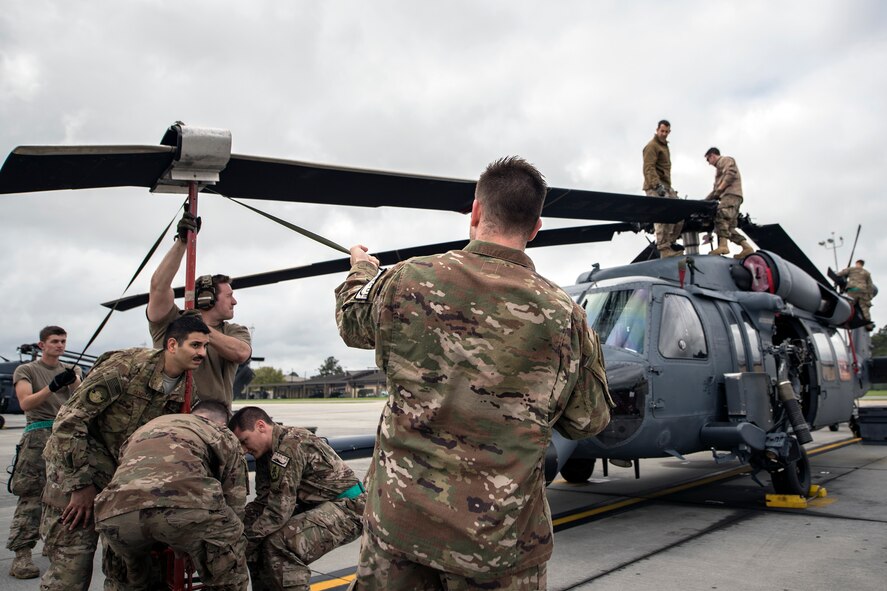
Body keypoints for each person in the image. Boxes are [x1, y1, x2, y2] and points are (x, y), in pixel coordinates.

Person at [335, 156, 613, 589]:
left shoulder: (408, 280)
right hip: (499, 544)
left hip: (399, 529)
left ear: (477, 211)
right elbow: (588, 420)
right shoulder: (566, 316)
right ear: (536, 228)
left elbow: (351, 324)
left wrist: (362, 269)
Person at [40, 315, 211, 591]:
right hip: (76, 471)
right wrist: (80, 485)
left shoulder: (189, 391)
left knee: (128, 576)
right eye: (195, 345)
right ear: (171, 345)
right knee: (70, 574)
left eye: (205, 346)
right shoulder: (127, 367)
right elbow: (68, 422)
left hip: (121, 485)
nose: (202, 353)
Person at [94, 401, 249, 591]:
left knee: (125, 583)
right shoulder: (220, 433)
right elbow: (235, 498)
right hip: (184, 510)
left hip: (116, 514)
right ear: (223, 424)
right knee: (230, 567)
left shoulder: (144, 429)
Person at [228, 406, 365, 591]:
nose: (244, 450)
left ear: (261, 426)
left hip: (349, 508)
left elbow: (278, 511)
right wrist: (237, 526)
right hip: (319, 506)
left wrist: (245, 539)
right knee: (257, 545)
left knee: (281, 543)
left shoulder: (290, 445)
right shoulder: (266, 452)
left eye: (245, 441)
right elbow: (264, 500)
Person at [147, 211, 252, 408]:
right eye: (229, 296)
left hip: (214, 422)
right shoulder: (171, 322)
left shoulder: (234, 331)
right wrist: (182, 243)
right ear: (207, 299)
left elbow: (240, 353)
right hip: (168, 420)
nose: (235, 302)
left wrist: (198, 328)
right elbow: (158, 286)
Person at [6, 326, 82, 579]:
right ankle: (22, 555)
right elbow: (26, 402)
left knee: (65, 497)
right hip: (38, 436)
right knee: (31, 497)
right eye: (54, 341)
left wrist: (75, 383)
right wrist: (52, 386)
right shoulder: (26, 370)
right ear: (42, 345)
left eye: (63, 341)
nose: (60, 345)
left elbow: (81, 401)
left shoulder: (71, 370)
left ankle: (55, 546)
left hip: (65, 435)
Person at [643, 119, 684, 258]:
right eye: (662, 131)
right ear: (657, 130)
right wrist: (656, 186)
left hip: (666, 186)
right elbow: (648, 168)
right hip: (655, 186)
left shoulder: (664, 146)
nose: (664, 134)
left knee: (680, 214)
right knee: (662, 215)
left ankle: (669, 243)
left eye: (666, 132)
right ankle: (663, 248)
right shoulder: (652, 146)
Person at [703, 147, 754, 258]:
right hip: (732, 197)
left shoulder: (725, 160)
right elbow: (715, 192)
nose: (709, 163)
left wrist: (721, 189)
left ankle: (723, 246)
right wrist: (703, 202)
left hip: (730, 196)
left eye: (708, 160)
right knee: (729, 227)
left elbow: (730, 173)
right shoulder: (718, 171)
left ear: (712, 155)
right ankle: (746, 247)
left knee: (720, 215)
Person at [837, 259, 876, 330]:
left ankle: (845, 322)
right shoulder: (867, 273)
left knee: (849, 307)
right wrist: (869, 296)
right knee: (865, 309)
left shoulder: (851, 269)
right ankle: (869, 326)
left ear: (856, 263)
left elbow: (839, 274)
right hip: (863, 291)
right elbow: (870, 286)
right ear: (862, 265)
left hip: (853, 290)